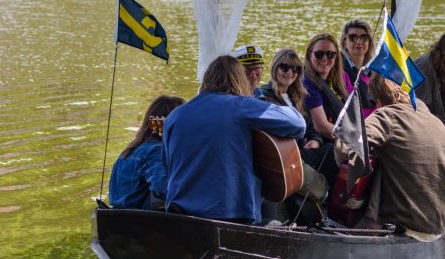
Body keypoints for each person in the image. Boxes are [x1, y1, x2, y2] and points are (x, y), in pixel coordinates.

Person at [163, 55, 306, 223]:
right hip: (230, 213)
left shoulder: (175, 115)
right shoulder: (241, 105)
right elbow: (298, 123)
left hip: (179, 211)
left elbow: (168, 168)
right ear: (240, 80)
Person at [336, 74, 445, 239]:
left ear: (378, 101)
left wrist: (343, 131)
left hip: (412, 223)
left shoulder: (387, 116)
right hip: (442, 219)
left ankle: (371, 224)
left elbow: (346, 147)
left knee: (377, 164)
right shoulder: (431, 117)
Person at [257, 48, 336, 199]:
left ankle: (333, 198)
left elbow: (311, 126)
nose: (290, 72)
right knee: (330, 153)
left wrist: (315, 140)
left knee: (330, 149)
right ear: (275, 68)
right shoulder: (265, 97)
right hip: (287, 152)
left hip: (304, 148)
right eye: (285, 67)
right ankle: (326, 195)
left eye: (295, 69)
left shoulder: (297, 95)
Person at [109, 95, 185, 210]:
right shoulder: (157, 151)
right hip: (140, 221)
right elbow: (163, 187)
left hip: (116, 217)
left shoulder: (128, 152)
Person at [302, 33, 350, 141]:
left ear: (336, 57)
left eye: (330, 54)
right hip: (322, 142)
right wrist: (354, 140)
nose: (324, 58)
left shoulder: (337, 81)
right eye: (319, 54)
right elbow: (322, 127)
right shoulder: (307, 84)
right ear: (310, 55)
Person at [340, 19, 377, 118]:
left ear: (369, 42)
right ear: (344, 43)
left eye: (363, 38)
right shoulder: (337, 68)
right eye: (353, 38)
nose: (358, 42)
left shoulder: (376, 70)